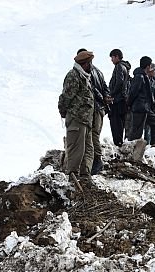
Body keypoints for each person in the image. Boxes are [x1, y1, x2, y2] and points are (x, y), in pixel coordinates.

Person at [58, 49, 95, 178]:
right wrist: (63, 112)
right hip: (76, 118)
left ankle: (85, 175)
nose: (91, 66)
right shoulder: (73, 76)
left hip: (86, 120)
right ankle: (73, 176)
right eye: (90, 63)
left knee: (87, 149)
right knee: (76, 149)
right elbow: (66, 97)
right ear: (85, 64)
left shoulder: (85, 76)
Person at [78, 49, 109, 175]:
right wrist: (105, 98)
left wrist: (101, 98)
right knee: (95, 134)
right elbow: (106, 88)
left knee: (92, 135)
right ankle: (96, 161)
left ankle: (97, 161)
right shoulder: (99, 72)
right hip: (100, 108)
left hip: (94, 108)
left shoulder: (89, 72)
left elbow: (93, 90)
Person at [127, 57, 155, 146]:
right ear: (148, 66)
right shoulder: (139, 77)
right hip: (139, 107)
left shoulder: (144, 76)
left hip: (145, 107)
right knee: (136, 132)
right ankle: (132, 151)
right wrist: (129, 104)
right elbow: (133, 93)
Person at [107, 49, 130, 146]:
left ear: (116, 56)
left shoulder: (119, 66)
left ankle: (118, 143)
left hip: (117, 100)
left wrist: (111, 94)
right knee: (120, 123)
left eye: (112, 57)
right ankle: (119, 142)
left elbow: (119, 82)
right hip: (122, 100)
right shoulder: (125, 67)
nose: (111, 60)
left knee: (116, 123)